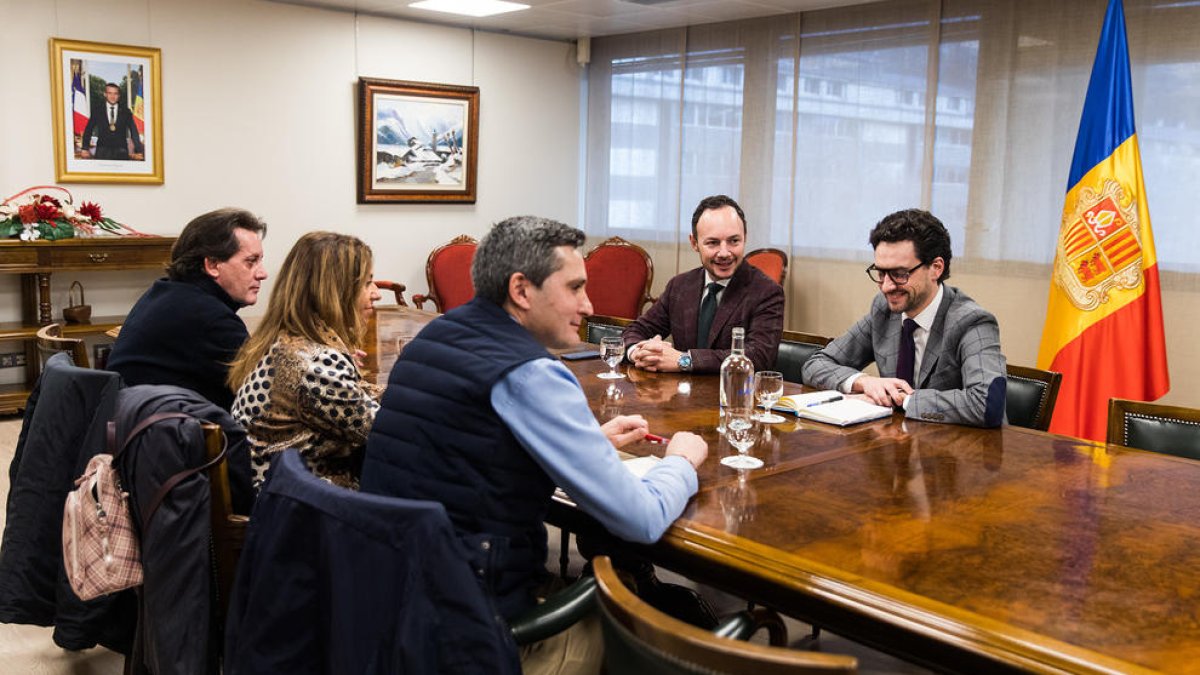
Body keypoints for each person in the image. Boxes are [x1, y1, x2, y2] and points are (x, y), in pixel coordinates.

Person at [360, 216, 707, 674]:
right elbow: (639, 520)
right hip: (477, 631)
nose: (589, 304)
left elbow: (470, 448)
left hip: (390, 604)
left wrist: (588, 442)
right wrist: (681, 461)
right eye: (575, 288)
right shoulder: (530, 372)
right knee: (641, 632)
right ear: (521, 291)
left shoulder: (436, 336)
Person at [802, 209, 1007, 427]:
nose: (887, 287)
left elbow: (987, 404)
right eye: (881, 273)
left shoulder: (972, 321)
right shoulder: (884, 310)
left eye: (900, 274)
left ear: (936, 268)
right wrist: (865, 382)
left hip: (960, 453)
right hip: (897, 443)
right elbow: (816, 364)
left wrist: (902, 399)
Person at [228, 231, 382, 491]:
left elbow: (359, 399)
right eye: (367, 284)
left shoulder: (287, 341)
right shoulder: (316, 363)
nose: (376, 293)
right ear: (337, 292)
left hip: (279, 493)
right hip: (296, 509)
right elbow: (384, 431)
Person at [107, 207, 267, 411]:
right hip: (169, 437)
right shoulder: (209, 318)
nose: (262, 273)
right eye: (251, 262)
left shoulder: (166, 293)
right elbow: (265, 393)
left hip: (134, 429)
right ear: (212, 265)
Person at [621, 194, 785, 373]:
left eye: (734, 241)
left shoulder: (766, 292)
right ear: (694, 243)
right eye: (713, 243)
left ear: (745, 237)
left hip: (732, 396)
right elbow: (637, 329)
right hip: (679, 395)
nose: (724, 252)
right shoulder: (680, 286)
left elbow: (759, 357)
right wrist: (638, 353)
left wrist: (685, 360)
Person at [79, 82, 144, 161]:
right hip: (102, 152)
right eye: (110, 93)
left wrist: (139, 150)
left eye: (115, 93)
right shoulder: (97, 110)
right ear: (105, 94)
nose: (112, 96)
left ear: (119, 96)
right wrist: (85, 148)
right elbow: (88, 130)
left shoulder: (126, 112)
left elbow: (134, 131)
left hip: (121, 152)